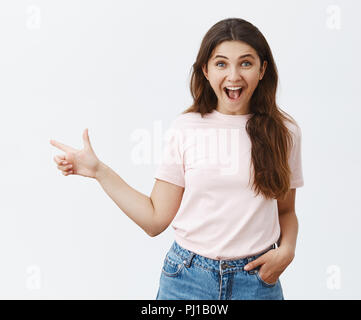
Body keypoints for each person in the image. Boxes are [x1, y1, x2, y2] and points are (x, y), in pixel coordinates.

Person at [50, 17, 303, 300]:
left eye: (245, 63)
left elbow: (285, 211)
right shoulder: (186, 128)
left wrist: (287, 251)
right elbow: (155, 219)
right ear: (205, 70)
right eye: (221, 63)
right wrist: (99, 171)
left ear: (262, 69)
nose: (233, 76)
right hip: (188, 279)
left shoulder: (284, 132)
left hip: (256, 282)